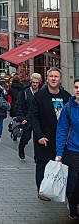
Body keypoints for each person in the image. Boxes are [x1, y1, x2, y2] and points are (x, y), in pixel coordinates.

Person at [30, 67, 70, 200]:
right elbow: (34, 117)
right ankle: (42, 191)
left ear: (60, 79)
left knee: (60, 163)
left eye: (56, 76)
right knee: (43, 164)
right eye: (51, 76)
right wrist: (39, 135)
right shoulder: (39, 96)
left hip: (61, 138)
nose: (53, 79)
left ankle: (59, 189)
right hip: (44, 137)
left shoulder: (66, 96)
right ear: (47, 79)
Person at [56, 78, 79, 219]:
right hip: (73, 150)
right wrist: (59, 153)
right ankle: (72, 204)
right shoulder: (68, 108)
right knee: (74, 181)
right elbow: (62, 131)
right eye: (76, 87)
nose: (78, 89)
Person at [16, 73, 41, 160]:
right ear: (31, 82)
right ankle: (21, 148)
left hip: (38, 119)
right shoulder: (25, 92)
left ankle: (37, 155)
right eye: (33, 82)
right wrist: (22, 118)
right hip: (27, 118)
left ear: (39, 83)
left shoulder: (41, 93)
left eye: (36, 83)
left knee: (38, 137)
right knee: (26, 137)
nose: (34, 84)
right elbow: (20, 106)